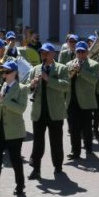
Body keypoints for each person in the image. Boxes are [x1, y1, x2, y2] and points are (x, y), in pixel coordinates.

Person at [0, 60, 28, 197]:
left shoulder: (22, 88)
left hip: (14, 131)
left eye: (7, 71)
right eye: (3, 71)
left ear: (15, 73)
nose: (4, 74)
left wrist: (4, 101)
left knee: (16, 160)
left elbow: (20, 109)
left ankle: (20, 185)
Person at [27, 43, 70, 179]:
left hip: (55, 112)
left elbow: (66, 86)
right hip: (39, 111)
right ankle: (36, 169)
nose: (43, 56)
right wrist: (32, 85)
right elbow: (28, 88)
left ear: (53, 54)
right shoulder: (35, 69)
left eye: (46, 53)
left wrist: (48, 79)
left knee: (56, 141)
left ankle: (58, 166)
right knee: (38, 142)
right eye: (42, 53)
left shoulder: (62, 68)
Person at [66, 41, 99, 161]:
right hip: (72, 101)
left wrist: (81, 70)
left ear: (87, 52)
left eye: (82, 51)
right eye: (78, 51)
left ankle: (89, 147)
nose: (80, 54)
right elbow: (66, 81)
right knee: (73, 128)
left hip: (86, 101)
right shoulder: (69, 64)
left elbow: (94, 80)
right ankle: (75, 152)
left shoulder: (94, 65)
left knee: (86, 128)